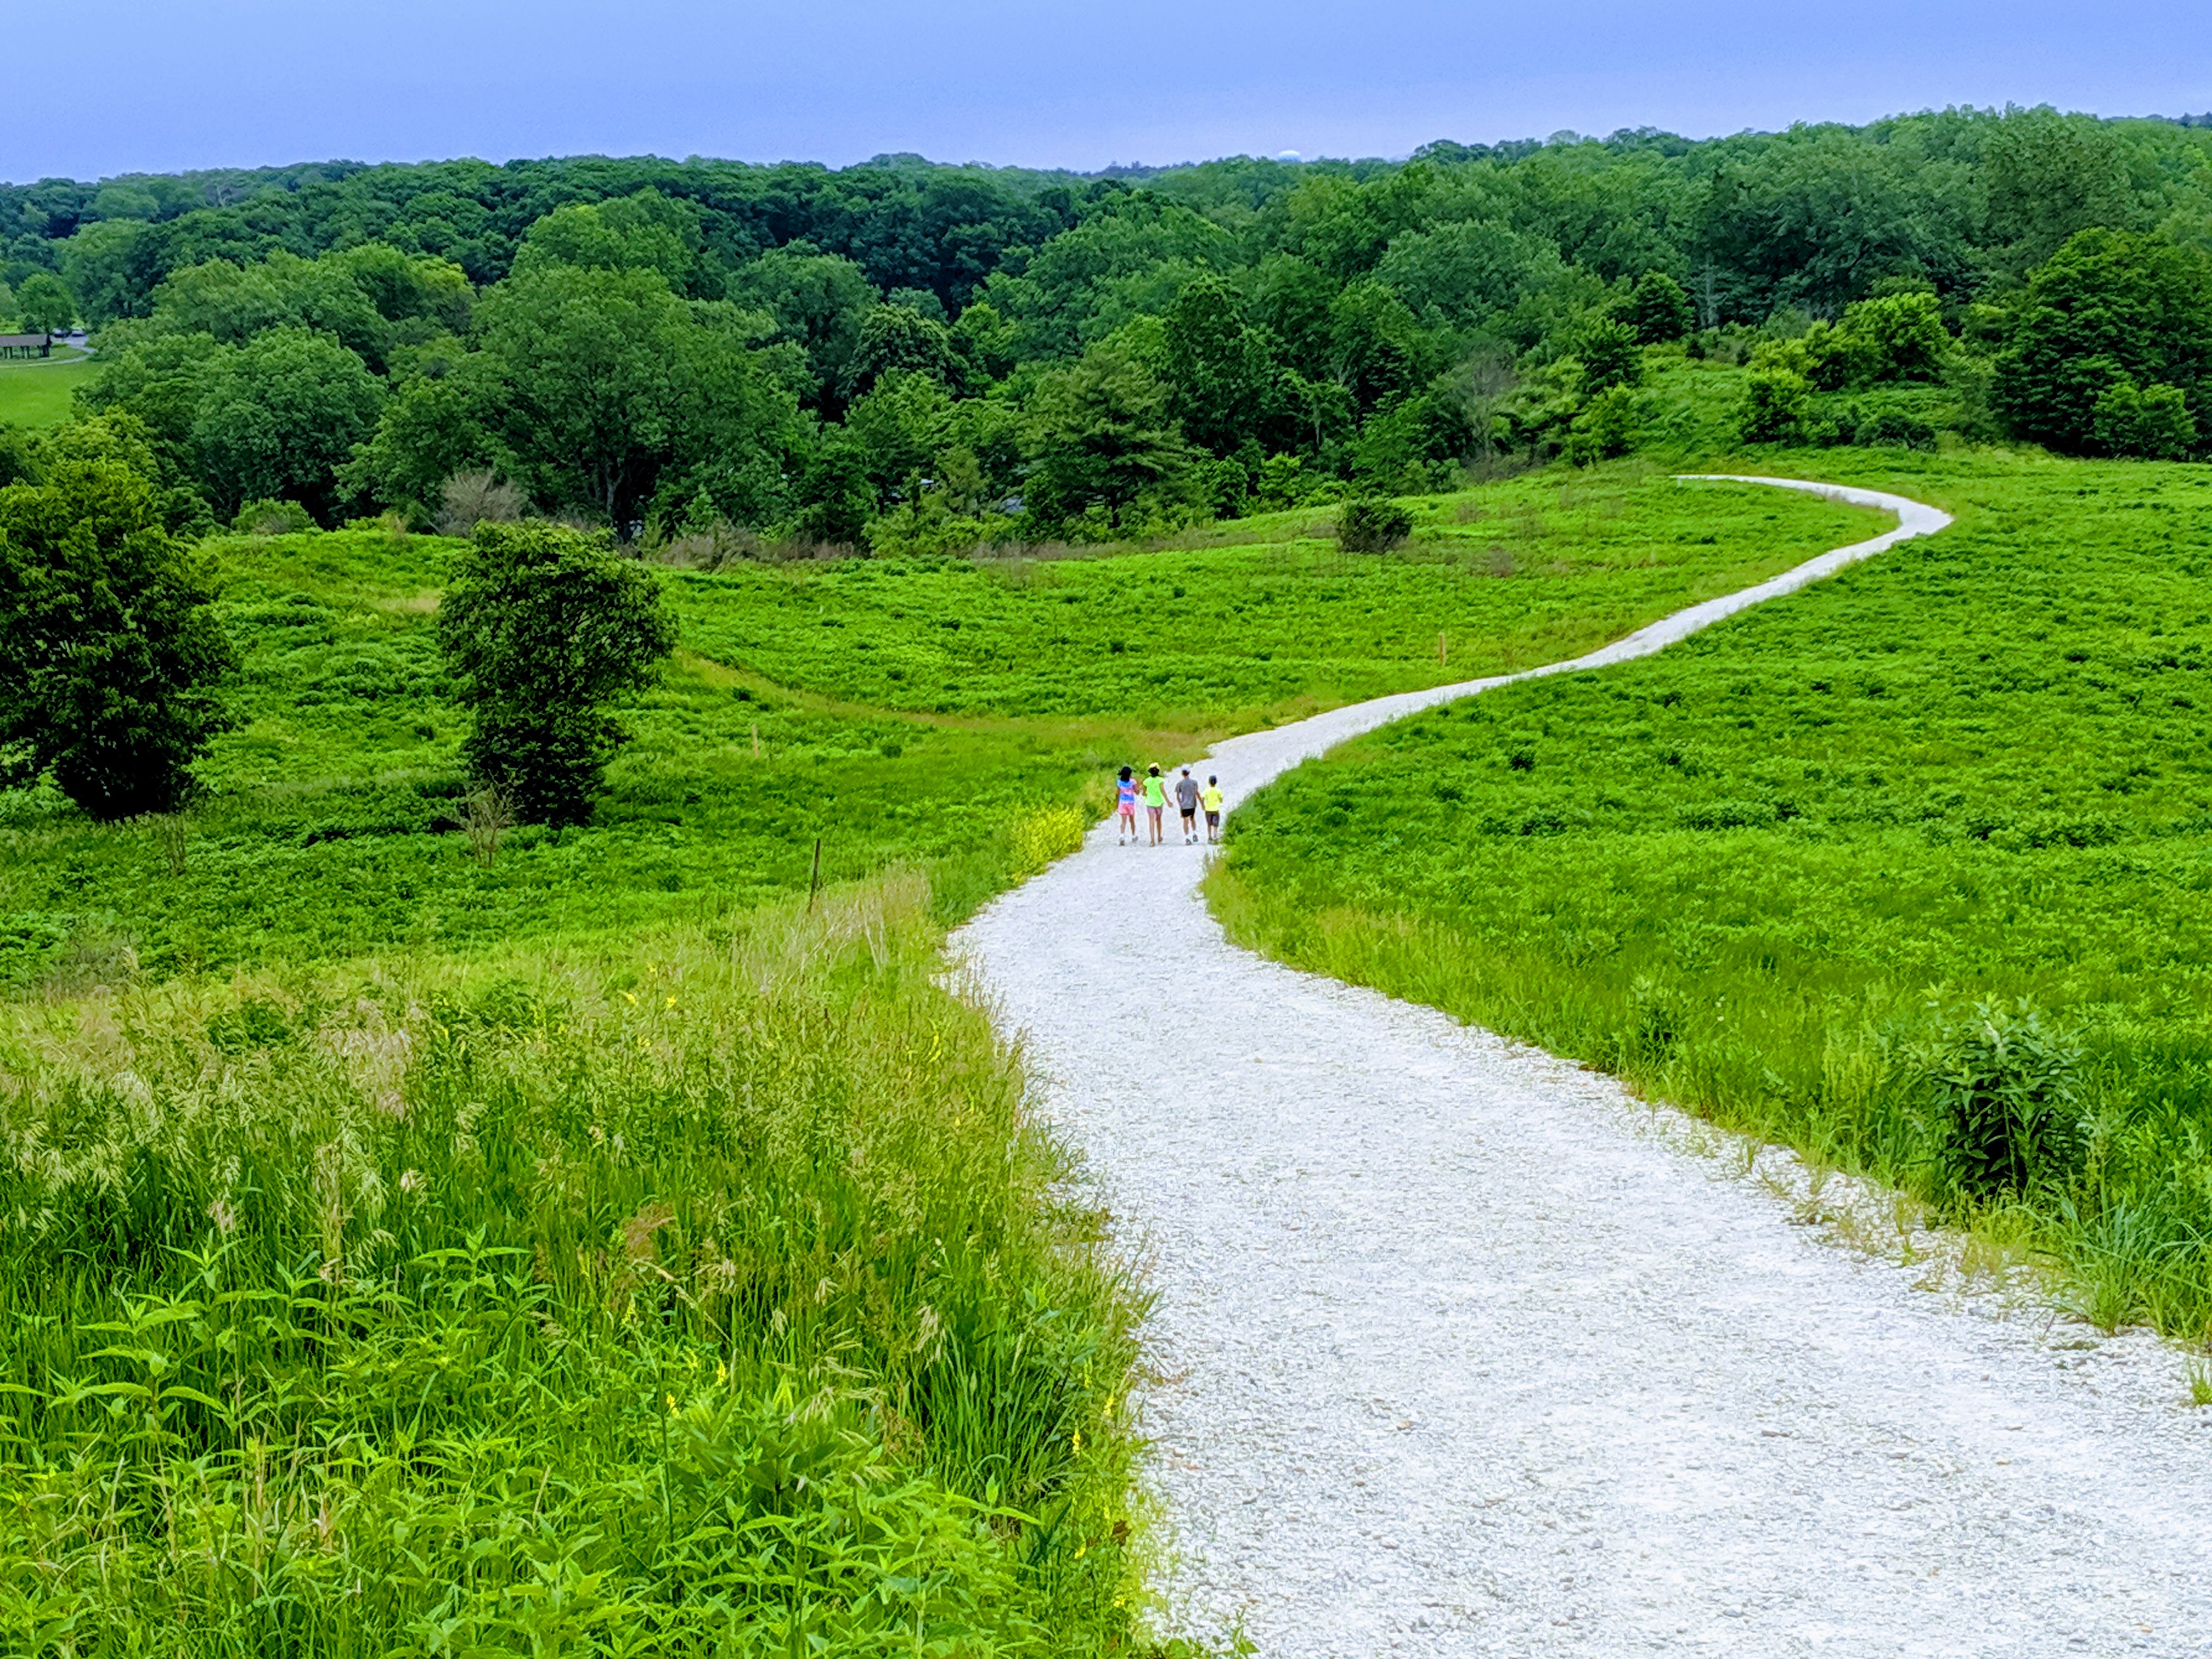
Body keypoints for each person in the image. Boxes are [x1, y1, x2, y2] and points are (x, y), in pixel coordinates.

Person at [1140, 763, 1168, 845]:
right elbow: (1163, 791)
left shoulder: (1147, 781)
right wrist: (1168, 800)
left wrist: (1146, 794)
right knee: (1159, 820)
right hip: (1159, 802)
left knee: (1151, 821)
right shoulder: (1161, 780)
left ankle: (1152, 840)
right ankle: (1159, 837)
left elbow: (1144, 793)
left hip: (1150, 802)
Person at [1174, 766, 1201, 843]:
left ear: (1182, 774)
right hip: (1192, 804)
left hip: (1184, 805)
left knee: (1186, 820)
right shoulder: (1194, 782)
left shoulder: (1179, 784)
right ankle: (1195, 833)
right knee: (1192, 819)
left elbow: (1178, 797)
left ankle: (1187, 837)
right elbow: (1196, 793)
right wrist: (1201, 801)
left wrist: (1180, 804)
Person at [1115, 765, 1139, 844]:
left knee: (1123, 821)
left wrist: (1117, 803)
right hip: (1130, 803)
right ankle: (1133, 835)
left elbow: (1117, 794)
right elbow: (1137, 792)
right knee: (1132, 821)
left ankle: (1122, 835)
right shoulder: (1132, 782)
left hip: (1122, 803)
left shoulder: (1119, 782)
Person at [1201, 774, 1224, 842]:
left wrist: (1203, 805)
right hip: (1216, 809)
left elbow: (1202, 798)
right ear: (1216, 782)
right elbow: (1221, 800)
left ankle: (1210, 837)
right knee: (1215, 824)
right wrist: (1219, 801)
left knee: (1209, 824)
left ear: (1209, 782)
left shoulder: (1206, 790)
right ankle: (1215, 836)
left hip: (1208, 809)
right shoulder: (1219, 791)